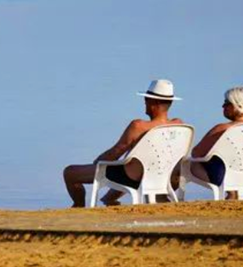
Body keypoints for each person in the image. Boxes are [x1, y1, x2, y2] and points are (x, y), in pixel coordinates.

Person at [63, 79, 183, 208]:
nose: (144, 103)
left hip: (133, 177)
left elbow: (115, 152)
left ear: (154, 102)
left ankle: (78, 207)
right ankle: (109, 201)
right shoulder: (179, 125)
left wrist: (98, 162)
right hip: (163, 177)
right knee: (113, 191)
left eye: (146, 100)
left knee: (70, 173)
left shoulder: (138, 126)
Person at [188, 86, 243, 200]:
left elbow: (196, 153)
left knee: (190, 164)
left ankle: (229, 191)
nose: (223, 106)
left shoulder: (222, 129)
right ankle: (233, 192)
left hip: (221, 176)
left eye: (226, 103)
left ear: (237, 105)